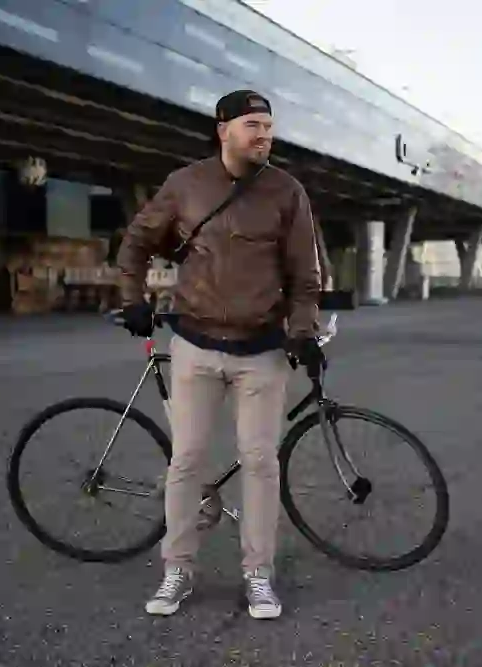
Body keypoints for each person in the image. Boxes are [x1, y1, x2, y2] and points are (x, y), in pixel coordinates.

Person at [115, 89, 323, 620]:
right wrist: (132, 300)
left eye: (269, 127)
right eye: (253, 125)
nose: (264, 136)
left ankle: (258, 574)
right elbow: (137, 242)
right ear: (223, 129)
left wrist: (303, 330)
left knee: (259, 463)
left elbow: (306, 276)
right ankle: (177, 570)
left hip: (262, 352)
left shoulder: (287, 191)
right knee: (186, 460)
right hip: (196, 346)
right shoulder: (185, 185)